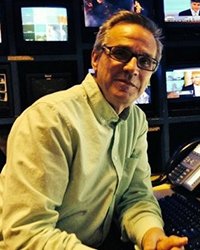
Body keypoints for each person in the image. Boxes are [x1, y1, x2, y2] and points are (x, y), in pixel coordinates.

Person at [0, 10, 188, 250]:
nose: (133, 68)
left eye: (145, 61)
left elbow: (136, 197)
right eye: (121, 53)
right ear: (96, 58)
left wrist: (152, 237)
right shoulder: (50, 120)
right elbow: (27, 235)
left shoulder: (135, 121)